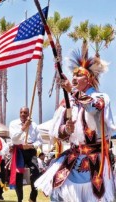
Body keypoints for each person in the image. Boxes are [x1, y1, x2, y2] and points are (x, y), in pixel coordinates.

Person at [35, 52, 116, 202]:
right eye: (73, 75)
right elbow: (59, 133)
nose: (74, 78)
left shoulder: (101, 98)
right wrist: (66, 129)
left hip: (94, 160)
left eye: (79, 75)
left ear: (89, 79)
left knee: (94, 198)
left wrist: (72, 91)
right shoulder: (68, 103)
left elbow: (93, 108)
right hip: (72, 157)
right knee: (57, 193)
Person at [9, 107, 42, 202]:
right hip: (19, 151)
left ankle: (33, 197)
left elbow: (39, 141)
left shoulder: (34, 125)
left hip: (31, 151)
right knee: (18, 176)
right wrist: (24, 127)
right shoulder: (13, 123)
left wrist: (31, 146)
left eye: (25, 112)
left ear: (29, 114)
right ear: (19, 113)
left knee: (35, 172)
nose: (23, 114)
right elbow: (14, 139)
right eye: (21, 112)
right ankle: (20, 198)